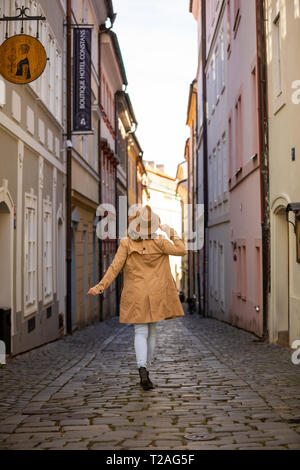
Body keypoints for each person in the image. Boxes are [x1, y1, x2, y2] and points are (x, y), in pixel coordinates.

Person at [88, 205, 187, 390]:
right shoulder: (160, 241)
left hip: (136, 293)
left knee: (140, 332)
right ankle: (146, 370)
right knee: (152, 332)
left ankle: (142, 367)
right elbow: (182, 250)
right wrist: (171, 232)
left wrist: (100, 287)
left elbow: (114, 268)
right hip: (156, 294)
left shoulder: (126, 242)